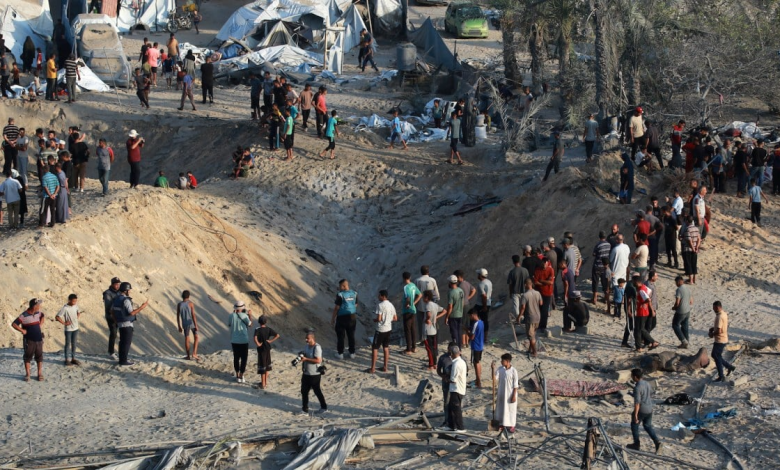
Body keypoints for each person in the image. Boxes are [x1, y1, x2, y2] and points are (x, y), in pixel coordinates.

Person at [112, 282, 149, 366]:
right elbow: (131, 313)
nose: (130, 291)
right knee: (126, 343)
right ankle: (123, 360)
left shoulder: (117, 299)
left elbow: (112, 311)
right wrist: (142, 307)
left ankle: (122, 358)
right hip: (127, 324)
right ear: (126, 290)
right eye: (129, 290)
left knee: (122, 342)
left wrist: (116, 321)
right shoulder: (126, 300)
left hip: (121, 324)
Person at [627, 368, 663, 454]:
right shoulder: (647, 383)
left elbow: (637, 403)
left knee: (634, 425)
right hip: (649, 408)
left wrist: (635, 415)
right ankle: (657, 442)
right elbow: (648, 393)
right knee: (648, 426)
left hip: (641, 409)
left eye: (632, 376)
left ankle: (636, 444)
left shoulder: (637, 387)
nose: (631, 377)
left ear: (635, 377)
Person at [11, 299, 46, 381]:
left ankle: (39, 374)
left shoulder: (38, 313)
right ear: (34, 306)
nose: (39, 306)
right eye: (38, 305)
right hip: (29, 340)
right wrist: (22, 330)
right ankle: (28, 374)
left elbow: (42, 316)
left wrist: (40, 325)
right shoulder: (24, 315)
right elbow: (14, 324)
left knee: (39, 357)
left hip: (39, 339)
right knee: (27, 357)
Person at [368, 289, 397, 374]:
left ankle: (372, 368)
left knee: (375, 348)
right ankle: (385, 367)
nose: (378, 297)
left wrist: (375, 320)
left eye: (379, 295)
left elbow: (379, 318)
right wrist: (388, 319)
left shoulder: (380, 305)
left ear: (383, 296)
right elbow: (395, 318)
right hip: (388, 329)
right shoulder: (391, 305)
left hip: (380, 329)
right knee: (386, 347)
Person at [300, 332, 328, 414]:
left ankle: (324, 407)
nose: (306, 340)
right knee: (304, 391)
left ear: (312, 338)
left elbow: (318, 360)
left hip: (314, 374)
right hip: (306, 373)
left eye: (307, 338)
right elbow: (305, 354)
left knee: (317, 391)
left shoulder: (317, 347)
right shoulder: (306, 346)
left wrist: (306, 359)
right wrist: (301, 356)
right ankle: (304, 409)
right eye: (306, 338)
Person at [331, 279, 357, 359]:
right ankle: (352, 353)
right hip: (352, 317)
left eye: (340, 286)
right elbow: (356, 304)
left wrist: (333, 318)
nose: (339, 288)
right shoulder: (354, 293)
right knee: (351, 335)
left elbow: (336, 307)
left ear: (343, 286)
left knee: (341, 336)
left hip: (342, 318)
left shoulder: (340, 295)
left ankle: (340, 353)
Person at [709, 301, 736, 382]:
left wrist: (712, 334)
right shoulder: (723, 313)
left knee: (716, 356)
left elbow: (719, 330)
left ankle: (721, 375)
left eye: (714, 308)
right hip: (723, 339)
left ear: (718, 307)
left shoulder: (720, 316)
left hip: (720, 339)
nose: (713, 310)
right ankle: (729, 367)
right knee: (717, 356)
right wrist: (713, 328)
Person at [414, 265, 440, 342]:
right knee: (432, 322)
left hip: (420, 305)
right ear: (428, 272)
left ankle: (422, 339)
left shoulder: (417, 280)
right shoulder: (432, 280)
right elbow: (437, 295)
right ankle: (432, 338)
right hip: (431, 306)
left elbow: (415, 293)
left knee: (421, 323)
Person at [228, 300, 252, 383]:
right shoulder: (245, 316)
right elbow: (250, 324)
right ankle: (241, 374)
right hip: (244, 340)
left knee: (236, 357)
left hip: (234, 340)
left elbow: (229, 324)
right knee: (244, 358)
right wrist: (250, 315)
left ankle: (237, 374)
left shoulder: (231, 315)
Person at [494, 353, 519, 433]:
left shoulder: (513, 371)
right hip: (501, 392)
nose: (501, 362)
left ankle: (511, 425)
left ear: (507, 361)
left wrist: (514, 395)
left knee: (511, 409)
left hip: (510, 393)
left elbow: (516, 385)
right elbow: (494, 379)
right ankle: (502, 423)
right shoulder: (500, 369)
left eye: (503, 360)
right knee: (501, 408)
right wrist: (492, 369)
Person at [55, 294, 82, 366]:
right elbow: (57, 317)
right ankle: (67, 359)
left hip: (75, 328)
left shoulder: (76, 306)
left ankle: (73, 358)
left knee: (74, 343)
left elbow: (78, 311)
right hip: (69, 329)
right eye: (73, 301)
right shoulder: (65, 308)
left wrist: (77, 316)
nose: (75, 302)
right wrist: (64, 323)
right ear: (69, 300)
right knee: (68, 344)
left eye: (76, 301)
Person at [518, 278, 542, 357]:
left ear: (525, 285)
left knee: (531, 336)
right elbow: (541, 303)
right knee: (533, 334)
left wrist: (519, 316)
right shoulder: (537, 293)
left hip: (530, 317)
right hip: (538, 316)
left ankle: (534, 352)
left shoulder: (525, 295)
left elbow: (523, 307)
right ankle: (530, 349)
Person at [421, 290, 445, 370]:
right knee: (434, 347)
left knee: (429, 348)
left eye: (423, 297)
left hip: (428, 329)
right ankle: (434, 364)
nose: (423, 298)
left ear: (426, 297)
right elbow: (444, 311)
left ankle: (431, 365)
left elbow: (428, 314)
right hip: (434, 329)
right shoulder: (435, 305)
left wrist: (427, 319)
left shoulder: (428, 305)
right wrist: (436, 318)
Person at [633, 276, 658, 351]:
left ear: (637, 282)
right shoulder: (644, 287)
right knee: (638, 329)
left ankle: (652, 342)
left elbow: (648, 299)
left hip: (642, 312)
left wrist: (642, 303)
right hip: (644, 311)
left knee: (640, 329)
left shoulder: (641, 290)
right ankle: (639, 347)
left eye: (634, 282)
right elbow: (650, 293)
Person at [254, 316, 279, 389]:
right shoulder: (268, 329)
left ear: (259, 322)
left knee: (262, 366)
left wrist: (258, 344)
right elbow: (277, 335)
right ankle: (265, 382)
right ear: (266, 322)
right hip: (267, 348)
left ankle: (263, 384)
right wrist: (271, 341)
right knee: (267, 366)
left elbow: (255, 338)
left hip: (261, 349)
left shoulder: (257, 329)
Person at [401, 271, 423, 354]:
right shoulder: (413, 285)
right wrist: (414, 303)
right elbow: (420, 295)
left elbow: (407, 297)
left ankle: (408, 349)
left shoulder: (406, 287)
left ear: (403, 278)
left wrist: (407, 304)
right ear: (409, 278)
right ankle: (414, 347)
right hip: (413, 309)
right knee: (413, 328)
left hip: (407, 310)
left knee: (407, 329)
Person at [447, 345, 467, 432]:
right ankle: (452, 426)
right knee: (451, 407)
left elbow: (453, 379)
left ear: (452, 353)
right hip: (457, 389)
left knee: (456, 408)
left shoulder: (457, 363)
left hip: (457, 389)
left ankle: (460, 427)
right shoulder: (461, 362)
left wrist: (446, 379)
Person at [670, 275, 693, 349]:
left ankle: (683, 341)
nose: (676, 284)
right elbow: (691, 301)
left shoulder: (679, 290)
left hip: (681, 311)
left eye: (676, 282)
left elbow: (677, 302)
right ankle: (686, 341)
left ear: (679, 281)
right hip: (687, 310)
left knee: (675, 325)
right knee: (685, 326)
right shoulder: (688, 289)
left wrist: (674, 307)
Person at [436, 342, 456, 427]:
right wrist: (443, 376)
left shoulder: (459, 358)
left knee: (455, 403)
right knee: (446, 402)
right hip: (446, 384)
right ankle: (447, 420)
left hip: (456, 385)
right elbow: (438, 370)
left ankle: (455, 421)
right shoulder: (443, 358)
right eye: (449, 349)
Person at [176, 290, 199, 360]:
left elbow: (177, 316)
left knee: (187, 338)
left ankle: (188, 356)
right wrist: (196, 325)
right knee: (196, 337)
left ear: (182, 296)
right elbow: (193, 315)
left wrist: (179, 326)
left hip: (184, 323)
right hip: (191, 322)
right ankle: (194, 353)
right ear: (188, 296)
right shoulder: (191, 303)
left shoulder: (179, 304)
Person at [443, 275, 465, 347]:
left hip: (453, 315)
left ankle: (456, 348)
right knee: (459, 332)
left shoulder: (451, 292)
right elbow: (463, 302)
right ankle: (459, 348)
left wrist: (446, 317)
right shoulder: (461, 290)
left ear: (450, 282)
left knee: (454, 333)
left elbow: (450, 306)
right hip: (460, 314)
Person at [533, 257, 554, 332]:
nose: (544, 264)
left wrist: (541, 281)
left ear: (547, 263)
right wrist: (545, 282)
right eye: (543, 263)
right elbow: (535, 282)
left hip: (547, 293)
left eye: (546, 263)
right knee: (539, 309)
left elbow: (551, 282)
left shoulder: (550, 270)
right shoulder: (537, 270)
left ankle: (543, 326)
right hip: (539, 293)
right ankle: (539, 324)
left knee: (545, 310)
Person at [103, 277, 121, 358]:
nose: (117, 286)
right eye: (116, 284)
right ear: (112, 284)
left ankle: (121, 352)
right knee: (113, 333)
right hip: (111, 316)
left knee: (121, 333)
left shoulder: (120, 292)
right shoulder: (107, 293)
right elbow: (108, 305)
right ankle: (111, 352)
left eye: (118, 284)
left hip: (119, 316)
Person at [508, 254, 530, 321]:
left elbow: (510, 284)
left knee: (516, 307)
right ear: (519, 261)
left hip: (515, 292)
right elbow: (528, 281)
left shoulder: (512, 272)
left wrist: (510, 293)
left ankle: (519, 319)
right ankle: (524, 318)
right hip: (524, 291)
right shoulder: (525, 270)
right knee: (524, 306)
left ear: (513, 261)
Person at [680, 215, 700, 284]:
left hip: (688, 249)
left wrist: (692, 248)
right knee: (694, 263)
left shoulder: (687, 229)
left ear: (687, 221)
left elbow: (689, 240)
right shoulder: (696, 229)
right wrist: (696, 247)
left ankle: (690, 280)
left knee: (688, 264)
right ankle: (694, 279)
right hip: (695, 248)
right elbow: (699, 239)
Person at [467, 310, 484, 387]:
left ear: (473, 315)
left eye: (470, 316)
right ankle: (478, 379)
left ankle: (478, 382)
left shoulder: (475, 324)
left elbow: (472, 337)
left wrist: (467, 331)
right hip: (480, 345)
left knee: (476, 363)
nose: (470, 318)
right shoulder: (481, 322)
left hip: (475, 346)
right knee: (478, 362)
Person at [474, 268, 492, 343]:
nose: (477, 275)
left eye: (478, 274)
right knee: (485, 320)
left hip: (481, 304)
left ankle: (478, 336)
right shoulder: (489, 282)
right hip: (488, 303)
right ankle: (485, 338)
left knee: (475, 318)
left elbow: (484, 296)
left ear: (480, 275)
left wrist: (484, 306)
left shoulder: (481, 284)